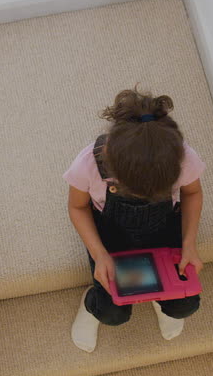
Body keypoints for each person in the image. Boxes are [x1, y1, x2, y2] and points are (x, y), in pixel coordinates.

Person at [63, 86, 205, 352]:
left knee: (184, 305)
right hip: (111, 235)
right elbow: (77, 208)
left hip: (164, 228)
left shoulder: (181, 156)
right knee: (112, 314)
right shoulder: (88, 164)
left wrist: (189, 244)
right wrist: (99, 254)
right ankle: (90, 302)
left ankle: (160, 295)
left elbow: (192, 193)